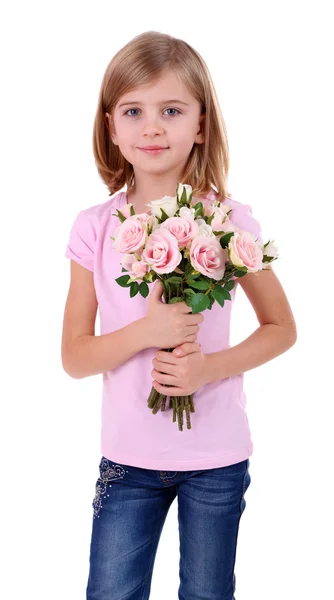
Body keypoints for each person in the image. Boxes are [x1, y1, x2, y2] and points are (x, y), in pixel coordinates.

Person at [62, 31, 297, 600]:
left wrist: (208, 370)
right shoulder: (96, 227)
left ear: (201, 124)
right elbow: (74, 356)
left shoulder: (227, 223)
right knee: (111, 592)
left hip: (215, 459)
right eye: (133, 111)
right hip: (127, 460)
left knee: (207, 594)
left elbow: (282, 328)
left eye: (171, 110)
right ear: (111, 127)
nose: (152, 127)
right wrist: (148, 331)